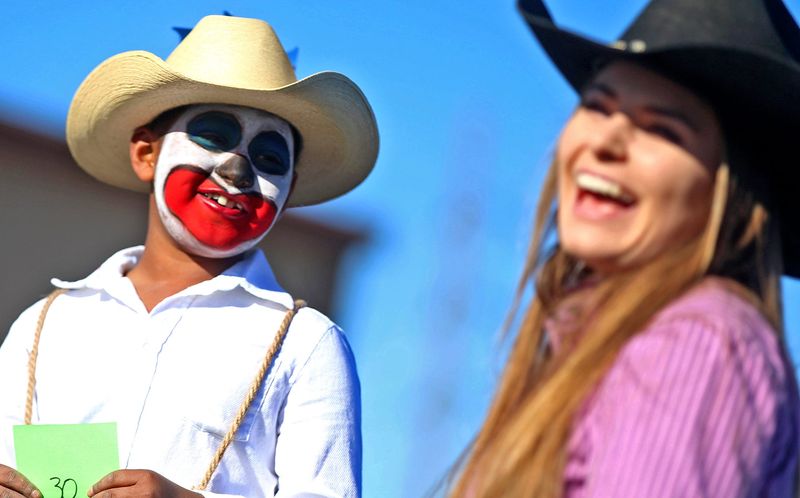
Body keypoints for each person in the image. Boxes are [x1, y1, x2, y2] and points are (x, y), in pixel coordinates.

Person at [0, 14, 378, 498]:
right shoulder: (45, 324)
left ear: (290, 189)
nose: (237, 170)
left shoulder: (306, 345)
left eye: (268, 158)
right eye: (214, 137)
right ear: (146, 153)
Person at [448, 0, 800, 496]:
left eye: (662, 129)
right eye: (597, 105)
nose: (607, 141)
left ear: (733, 193)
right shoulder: (600, 345)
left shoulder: (698, 343)